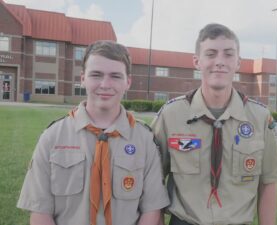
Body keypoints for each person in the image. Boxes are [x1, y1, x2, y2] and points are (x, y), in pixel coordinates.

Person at [17, 40, 169, 225]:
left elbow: (152, 211)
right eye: (96, 75)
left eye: (115, 76)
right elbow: (40, 212)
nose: (105, 84)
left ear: (128, 82)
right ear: (83, 79)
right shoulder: (52, 137)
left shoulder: (145, 139)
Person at [151, 23, 277, 225]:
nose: (219, 62)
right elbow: (153, 182)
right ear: (197, 61)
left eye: (228, 54)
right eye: (211, 54)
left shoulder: (259, 118)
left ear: (238, 62)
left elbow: (269, 182)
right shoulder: (171, 115)